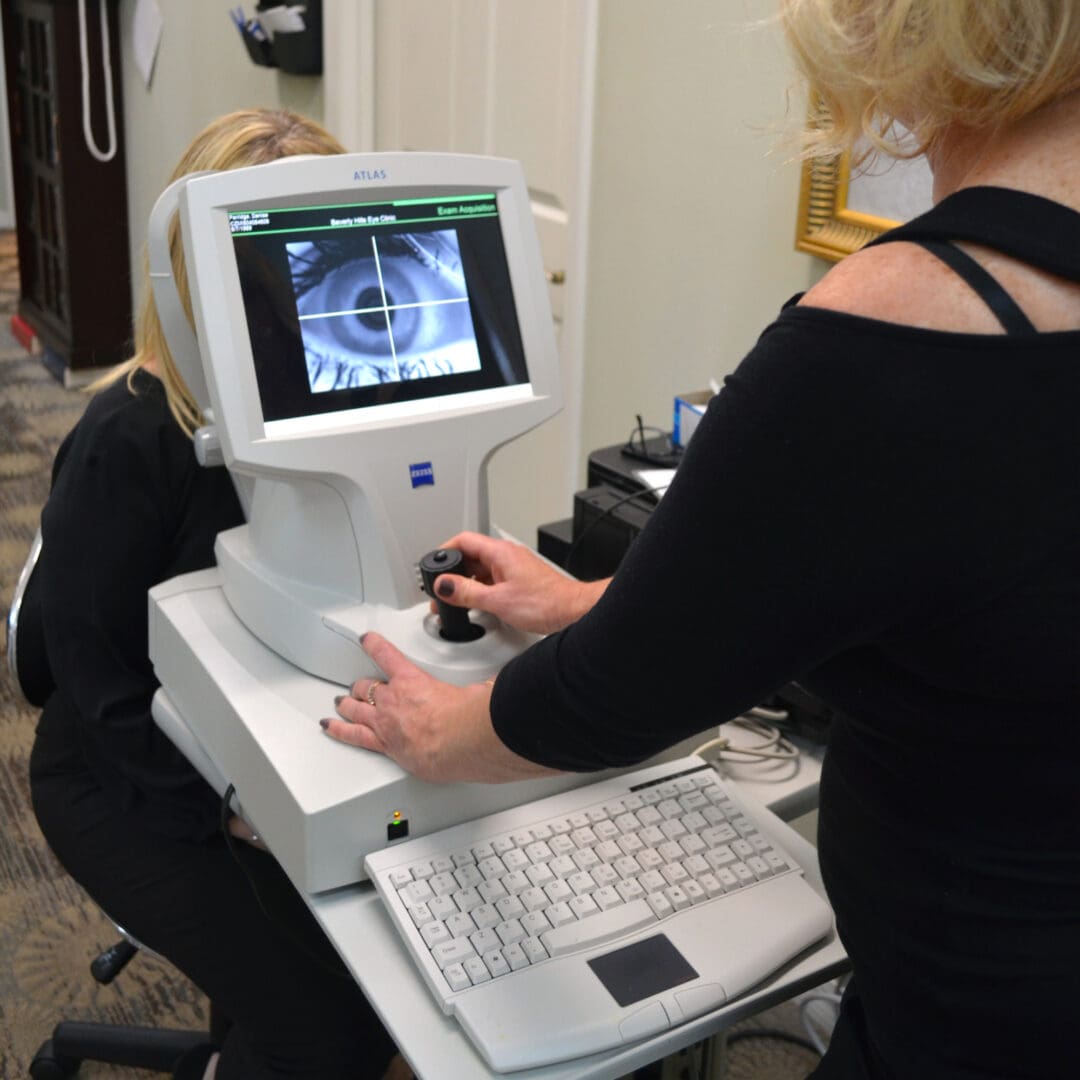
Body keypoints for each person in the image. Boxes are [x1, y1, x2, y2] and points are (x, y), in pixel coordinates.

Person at [321, 3, 1080, 1077]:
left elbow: (610, 702)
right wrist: (590, 602)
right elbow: (965, 571)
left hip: (984, 1020)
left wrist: (434, 732)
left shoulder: (895, 329)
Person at [29, 109, 405, 1080]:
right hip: (126, 777)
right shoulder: (134, 438)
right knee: (335, 1034)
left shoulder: (315, 407)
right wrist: (226, 809)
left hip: (253, 738)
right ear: (191, 272)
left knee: (376, 978)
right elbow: (80, 666)